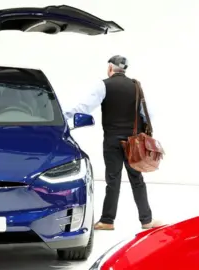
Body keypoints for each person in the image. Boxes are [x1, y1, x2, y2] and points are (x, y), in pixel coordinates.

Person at [64, 55, 162, 230]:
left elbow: (84, 108)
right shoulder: (136, 86)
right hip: (134, 144)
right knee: (137, 179)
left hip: (112, 141)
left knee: (113, 180)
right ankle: (146, 220)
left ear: (110, 68)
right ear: (124, 69)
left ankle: (107, 220)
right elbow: (148, 114)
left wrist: (64, 115)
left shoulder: (104, 85)